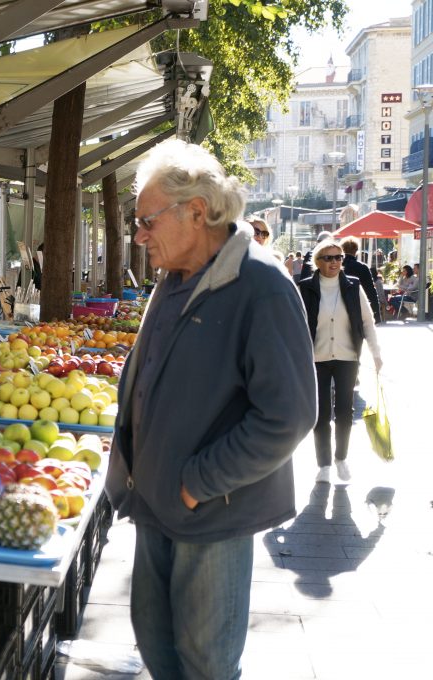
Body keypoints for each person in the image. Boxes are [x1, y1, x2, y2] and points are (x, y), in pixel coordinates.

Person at [104, 139, 317, 680]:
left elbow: (288, 416)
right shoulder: (173, 280)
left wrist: (201, 480)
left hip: (211, 513)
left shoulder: (262, 286)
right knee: (157, 647)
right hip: (154, 502)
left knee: (205, 663)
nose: (139, 235)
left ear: (195, 212)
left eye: (147, 222)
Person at [297, 238, 382, 483]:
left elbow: (367, 322)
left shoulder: (353, 286)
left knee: (345, 412)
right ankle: (323, 465)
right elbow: (295, 324)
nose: (335, 262)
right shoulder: (305, 288)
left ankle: (341, 458)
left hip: (347, 356)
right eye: (329, 258)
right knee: (321, 414)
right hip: (317, 358)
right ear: (318, 262)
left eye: (339, 258)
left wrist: (376, 354)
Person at [340, 237, 382, 323]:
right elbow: (370, 291)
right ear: (356, 250)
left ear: (342, 249)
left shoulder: (337, 267)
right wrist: (376, 313)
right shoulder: (362, 267)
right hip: (358, 306)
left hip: (339, 306)